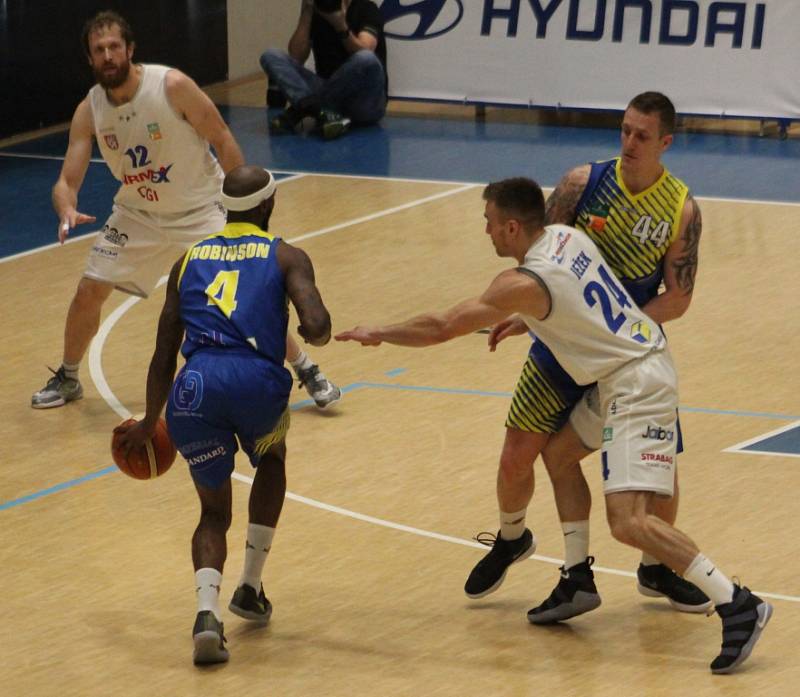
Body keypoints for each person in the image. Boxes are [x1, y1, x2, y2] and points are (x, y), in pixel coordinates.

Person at [336, 177, 772, 674]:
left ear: (513, 226)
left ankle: (737, 602)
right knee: (559, 454)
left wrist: (379, 333)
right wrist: (531, 319)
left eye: (489, 223)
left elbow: (442, 326)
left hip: (637, 383)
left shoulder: (519, 283)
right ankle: (577, 577)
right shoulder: (570, 238)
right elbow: (579, 298)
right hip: (628, 368)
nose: (486, 233)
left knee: (629, 521)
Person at [463, 92, 709, 620]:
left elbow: (679, 297)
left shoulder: (680, 208)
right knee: (516, 455)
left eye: (642, 136)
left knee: (660, 474)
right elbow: (539, 248)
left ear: (666, 142)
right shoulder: (582, 183)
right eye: (624, 130)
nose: (629, 143)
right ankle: (512, 538)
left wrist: (618, 326)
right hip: (558, 344)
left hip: (626, 352)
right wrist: (527, 311)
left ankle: (656, 567)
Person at [32, 10, 340, 411]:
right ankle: (69, 376)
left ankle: (306, 367)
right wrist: (66, 207)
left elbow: (222, 138)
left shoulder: (171, 85)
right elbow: (66, 182)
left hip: (201, 208)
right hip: (138, 214)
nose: (107, 55)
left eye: (114, 47)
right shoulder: (89, 109)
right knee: (89, 289)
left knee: (241, 297)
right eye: (98, 50)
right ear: (90, 59)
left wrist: (244, 209)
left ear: (130, 50)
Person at [115, 165, 334, 665]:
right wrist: (313, 331)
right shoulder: (286, 255)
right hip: (256, 383)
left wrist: (152, 421)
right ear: (267, 207)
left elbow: (163, 351)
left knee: (213, 512)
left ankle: (207, 615)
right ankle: (251, 587)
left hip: (194, 390)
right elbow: (317, 326)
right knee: (272, 460)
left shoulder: (188, 259)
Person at [260, 0, 387, 140]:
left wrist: (340, 25)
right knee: (271, 55)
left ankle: (302, 110)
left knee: (366, 59)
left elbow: (366, 50)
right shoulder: (318, 12)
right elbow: (296, 56)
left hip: (364, 102)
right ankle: (317, 109)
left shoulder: (367, 8)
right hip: (328, 96)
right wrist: (307, 12)